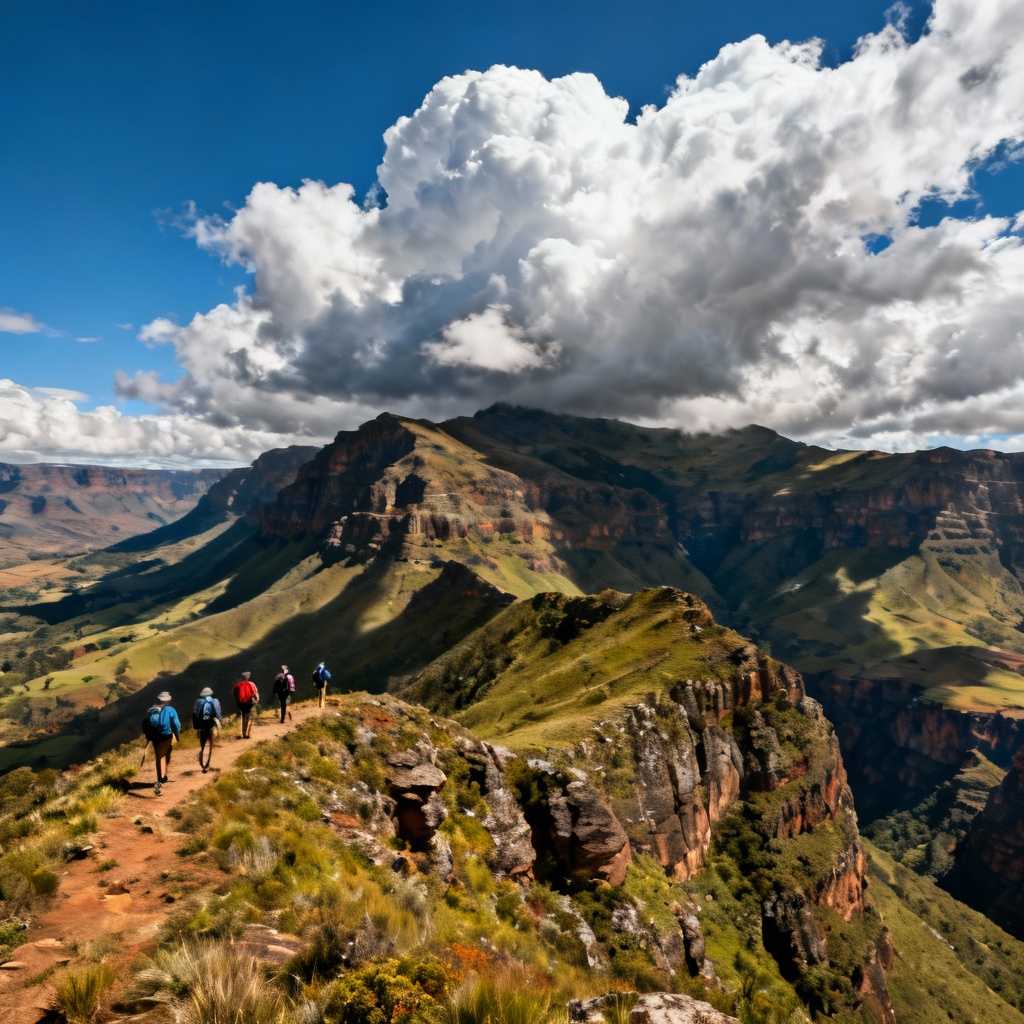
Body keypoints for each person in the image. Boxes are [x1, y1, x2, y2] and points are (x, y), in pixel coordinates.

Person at [143, 691, 181, 796]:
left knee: (158, 756)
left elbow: (146, 724)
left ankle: (161, 776)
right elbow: (176, 724)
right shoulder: (170, 710)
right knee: (163, 755)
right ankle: (161, 779)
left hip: (154, 736)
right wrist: (177, 736)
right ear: (168, 700)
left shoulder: (152, 710)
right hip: (166, 735)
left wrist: (148, 736)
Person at [192, 686, 223, 773]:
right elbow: (218, 714)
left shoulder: (198, 702)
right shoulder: (215, 701)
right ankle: (207, 763)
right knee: (210, 745)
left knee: (203, 744)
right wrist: (220, 722)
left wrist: (196, 726)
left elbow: (194, 715)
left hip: (201, 726)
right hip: (211, 725)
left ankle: (202, 762)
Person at [233, 671, 259, 738]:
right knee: (247, 716)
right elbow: (255, 694)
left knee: (243, 715)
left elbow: (234, 693)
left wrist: (238, 701)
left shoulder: (238, 685)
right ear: (248, 677)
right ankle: (245, 733)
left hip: (241, 703)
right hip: (249, 703)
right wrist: (256, 700)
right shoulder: (251, 684)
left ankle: (242, 732)